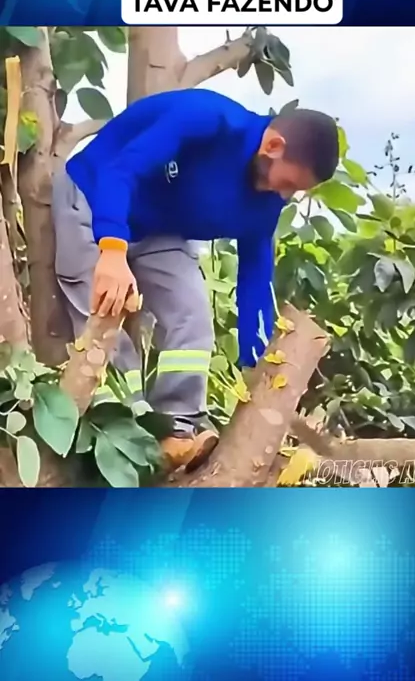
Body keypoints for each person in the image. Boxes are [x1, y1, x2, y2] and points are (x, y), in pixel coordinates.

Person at [52, 88, 339, 473]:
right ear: (272, 146)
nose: (285, 196)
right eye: (289, 183)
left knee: (192, 317)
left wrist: (257, 361)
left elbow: (256, 277)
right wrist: (113, 250)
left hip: (158, 230)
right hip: (94, 196)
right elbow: (121, 171)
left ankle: (176, 431)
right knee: (104, 307)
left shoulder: (267, 202)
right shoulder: (206, 119)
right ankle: (127, 435)